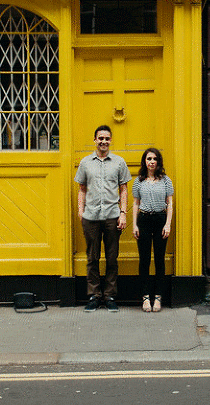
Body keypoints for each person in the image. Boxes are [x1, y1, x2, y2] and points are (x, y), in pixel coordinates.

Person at [74, 125, 131, 313]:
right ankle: (94, 296)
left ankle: (110, 296)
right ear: (95, 140)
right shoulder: (85, 163)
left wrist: (123, 213)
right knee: (92, 257)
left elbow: (123, 189)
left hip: (112, 217)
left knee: (112, 258)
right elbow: (81, 188)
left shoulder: (119, 162)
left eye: (107, 138)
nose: (103, 142)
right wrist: (81, 211)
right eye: (100, 138)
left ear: (110, 140)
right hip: (90, 217)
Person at [132, 148, 174, 313]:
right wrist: (134, 225)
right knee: (144, 260)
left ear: (158, 162)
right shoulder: (139, 181)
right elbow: (135, 203)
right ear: (144, 161)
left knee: (159, 260)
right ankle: (145, 297)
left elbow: (170, 203)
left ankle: (157, 297)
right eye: (149, 158)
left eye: (154, 159)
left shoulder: (165, 180)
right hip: (144, 219)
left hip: (160, 220)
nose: (151, 161)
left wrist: (168, 224)